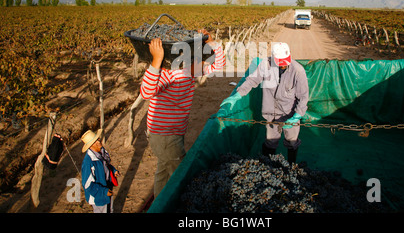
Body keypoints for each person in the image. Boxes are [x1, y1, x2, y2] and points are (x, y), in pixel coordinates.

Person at [140, 30, 225, 197]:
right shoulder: (169, 73)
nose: (201, 64)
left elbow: (218, 65)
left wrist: (211, 42)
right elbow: (146, 92)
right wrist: (156, 60)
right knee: (182, 174)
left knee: (163, 172)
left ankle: (159, 205)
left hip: (174, 132)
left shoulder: (189, 71)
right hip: (164, 135)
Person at [220, 42, 309, 164]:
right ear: (273, 58)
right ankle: (268, 166)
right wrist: (238, 94)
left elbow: (303, 97)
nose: (283, 65)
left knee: (292, 141)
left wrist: (296, 116)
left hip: (290, 113)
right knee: (271, 141)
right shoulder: (265, 65)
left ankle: (291, 166)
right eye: (280, 62)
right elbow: (252, 81)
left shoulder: (298, 71)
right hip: (270, 113)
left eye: (285, 61)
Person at [81, 129, 119, 213]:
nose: (99, 142)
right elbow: (87, 185)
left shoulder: (101, 153)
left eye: (98, 139)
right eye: (95, 141)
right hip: (98, 195)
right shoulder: (88, 162)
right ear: (90, 146)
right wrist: (104, 191)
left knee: (110, 209)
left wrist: (113, 170)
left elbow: (106, 166)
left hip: (107, 188)